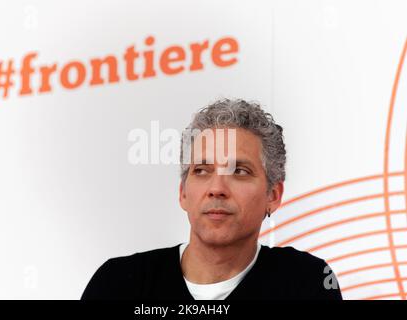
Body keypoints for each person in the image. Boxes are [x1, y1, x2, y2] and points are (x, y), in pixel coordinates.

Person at [81, 98, 342, 300]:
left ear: (273, 196)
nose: (216, 188)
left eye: (239, 171)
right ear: (183, 192)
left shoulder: (305, 283)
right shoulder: (118, 283)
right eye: (202, 171)